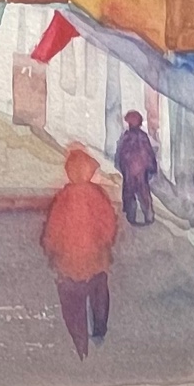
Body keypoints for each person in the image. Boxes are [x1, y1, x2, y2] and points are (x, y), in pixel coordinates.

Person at [41, 147, 119, 360]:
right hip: (96, 259)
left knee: (72, 304)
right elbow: (109, 224)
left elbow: (53, 228)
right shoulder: (98, 195)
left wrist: (50, 248)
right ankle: (99, 332)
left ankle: (80, 342)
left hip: (68, 263)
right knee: (99, 295)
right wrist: (105, 243)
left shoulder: (63, 198)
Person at [114, 109, 159, 226]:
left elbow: (121, 154)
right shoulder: (143, 136)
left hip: (130, 170)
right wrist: (152, 166)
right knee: (144, 193)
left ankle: (131, 216)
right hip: (141, 171)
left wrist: (121, 166)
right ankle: (148, 216)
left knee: (129, 192)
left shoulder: (126, 137)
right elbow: (148, 153)